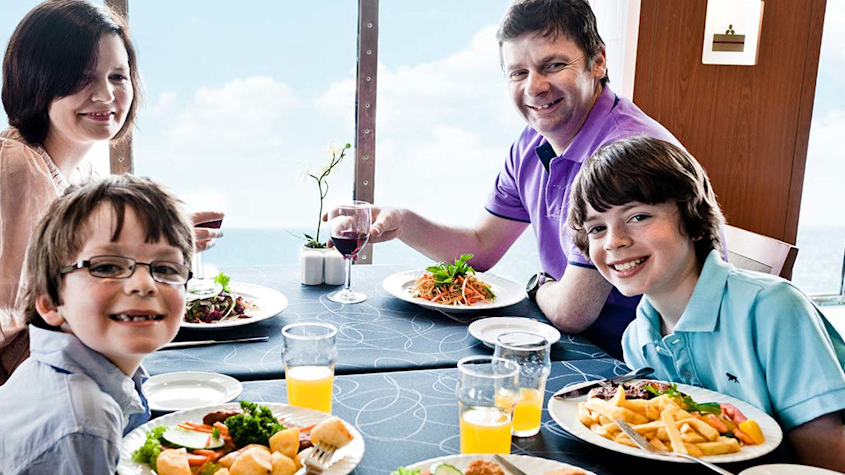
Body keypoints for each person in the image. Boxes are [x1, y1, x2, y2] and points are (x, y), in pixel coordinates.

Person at [0, 2, 220, 472]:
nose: (105, 95)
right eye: (80, 78)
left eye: (118, 76)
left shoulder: (80, 165)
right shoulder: (10, 167)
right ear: (36, 80)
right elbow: (22, 334)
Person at [362, 0, 679, 357]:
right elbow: (481, 247)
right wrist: (404, 223)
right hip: (577, 345)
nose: (535, 87)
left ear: (598, 61)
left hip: (641, 362)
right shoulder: (532, 143)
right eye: (518, 73)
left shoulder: (623, 153)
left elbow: (571, 312)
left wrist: (537, 285)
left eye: (554, 65)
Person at [566, 136, 845, 471]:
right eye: (597, 228)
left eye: (638, 217)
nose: (615, 241)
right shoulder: (638, 338)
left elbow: (827, 456)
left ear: (692, 218)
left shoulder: (773, 309)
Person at [0, 174, 194, 474]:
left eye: (166, 268)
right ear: (51, 303)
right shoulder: (82, 422)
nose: (144, 284)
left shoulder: (56, 376)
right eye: (106, 266)